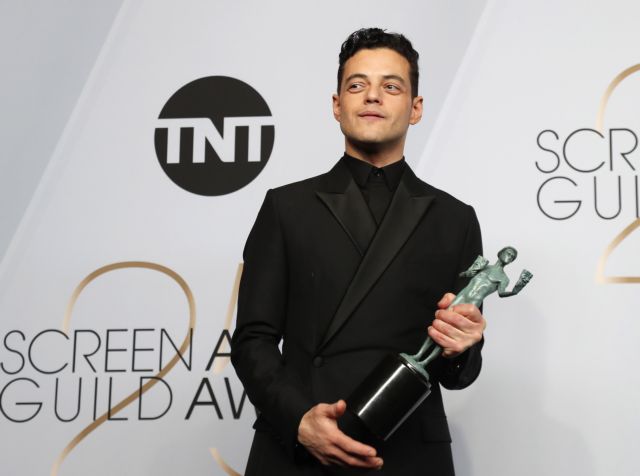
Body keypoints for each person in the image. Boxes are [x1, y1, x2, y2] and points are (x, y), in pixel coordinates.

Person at [231, 27, 486, 475]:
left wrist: (462, 346)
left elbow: (459, 374)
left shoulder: (454, 219)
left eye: (391, 86)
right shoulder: (287, 207)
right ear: (337, 105)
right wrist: (300, 421)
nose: (372, 96)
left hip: (407, 451)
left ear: (416, 108)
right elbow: (253, 341)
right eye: (357, 85)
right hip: (300, 450)